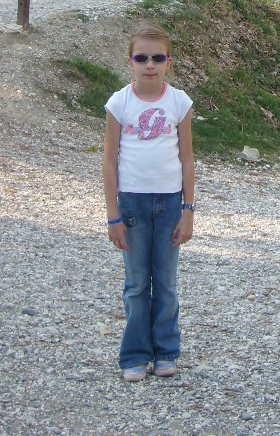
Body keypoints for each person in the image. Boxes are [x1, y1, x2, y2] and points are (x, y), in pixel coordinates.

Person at [103, 21, 195, 382]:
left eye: (158, 58)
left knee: (166, 282)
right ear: (130, 61)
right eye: (142, 58)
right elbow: (109, 162)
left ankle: (166, 351)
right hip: (132, 206)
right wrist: (113, 216)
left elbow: (187, 158)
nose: (150, 65)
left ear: (169, 62)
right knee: (137, 283)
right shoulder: (119, 104)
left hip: (170, 203)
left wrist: (188, 211)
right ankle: (135, 355)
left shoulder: (179, 103)